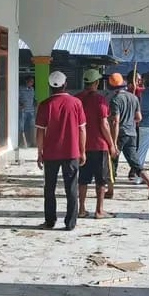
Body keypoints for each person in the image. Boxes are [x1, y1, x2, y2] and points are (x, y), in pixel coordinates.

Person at [35, 70, 87, 230]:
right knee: (71, 188)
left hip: (50, 153)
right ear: (65, 84)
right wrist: (82, 150)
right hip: (71, 152)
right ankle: (70, 223)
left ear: (50, 86)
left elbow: (40, 132)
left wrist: (39, 152)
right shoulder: (76, 103)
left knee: (49, 188)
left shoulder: (44, 105)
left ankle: (50, 220)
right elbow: (82, 129)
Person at [76, 69, 118, 218]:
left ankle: (81, 209)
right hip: (99, 146)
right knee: (101, 180)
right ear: (96, 83)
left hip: (81, 146)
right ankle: (99, 210)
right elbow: (104, 124)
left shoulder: (77, 99)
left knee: (83, 179)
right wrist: (112, 144)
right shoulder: (100, 100)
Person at [108, 73, 149, 199]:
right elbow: (139, 118)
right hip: (132, 134)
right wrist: (129, 121)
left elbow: (115, 122)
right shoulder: (134, 98)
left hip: (120, 134)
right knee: (135, 163)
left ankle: (110, 190)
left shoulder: (115, 100)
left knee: (112, 162)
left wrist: (113, 142)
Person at [19, 76, 37, 148]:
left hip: (31, 111)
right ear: (26, 81)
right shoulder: (20, 89)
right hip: (23, 111)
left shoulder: (32, 89)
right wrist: (20, 104)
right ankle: (22, 143)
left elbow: (33, 98)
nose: (31, 83)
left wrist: (35, 102)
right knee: (22, 128)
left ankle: (32, 142)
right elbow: (16, 98)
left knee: (31, 127)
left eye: (32, 82)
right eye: (30, 81)